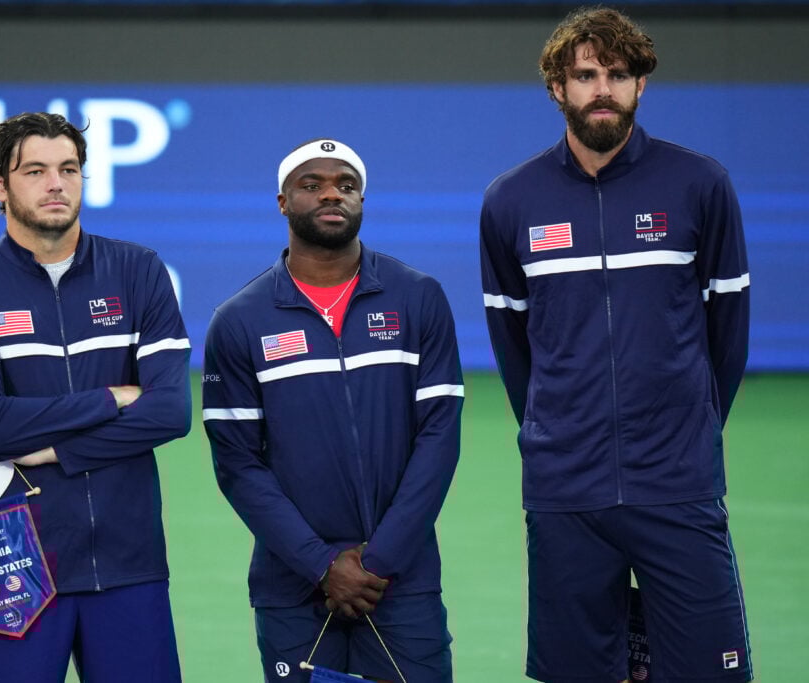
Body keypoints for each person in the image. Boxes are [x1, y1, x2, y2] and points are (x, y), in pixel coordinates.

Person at [479, 7, 753, 683]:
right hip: (565, 488)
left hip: (678, 483)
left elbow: (730, 333)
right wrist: (555, 427)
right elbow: (516, 350)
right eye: (585, 75)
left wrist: (687, 427)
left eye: (618, 74)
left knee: (712, 673)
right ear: (557, 88)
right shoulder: (511, 200)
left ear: (640, 86)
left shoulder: (701, 184)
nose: (602, 88)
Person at [0, 112, 191, 683]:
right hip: (7, 558)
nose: (56, 184)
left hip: (129, 560)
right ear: (0, 184)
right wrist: (113, 397)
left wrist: (56, 452)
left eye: (69, 168)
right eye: (36, 171)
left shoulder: (138, 270)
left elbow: (170, 411)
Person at [202, 138, 463, 682]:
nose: (331, 194)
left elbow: (439, 439)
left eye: (346, 185)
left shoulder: (418, 298)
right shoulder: (239, 320)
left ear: (362, 200)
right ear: (282, 202)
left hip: (400, 583)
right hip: (293, 587)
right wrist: (321, 566)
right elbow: (238, 466)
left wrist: (377, 563)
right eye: (311, 184)